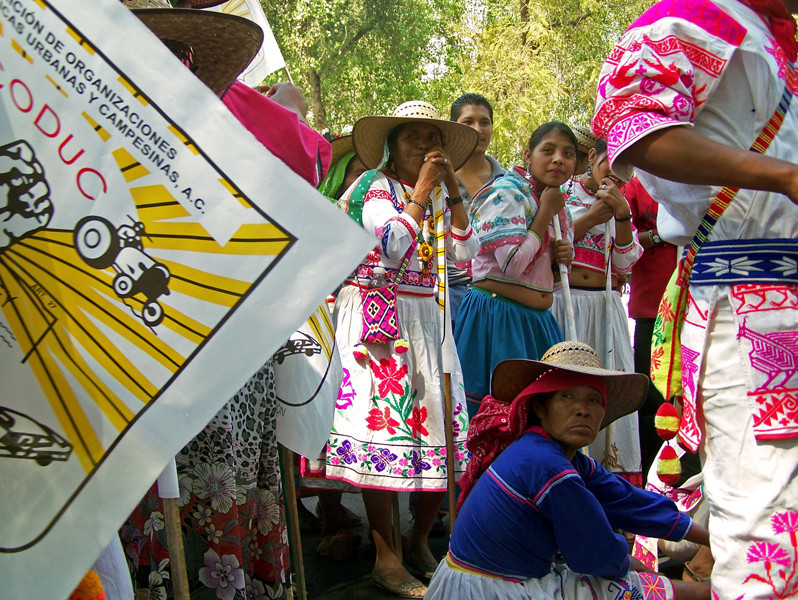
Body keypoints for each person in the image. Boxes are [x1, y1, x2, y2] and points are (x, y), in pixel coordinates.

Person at [119, 2, 332, 598]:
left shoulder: (238, 142)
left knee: (226, 474)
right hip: (135, 343)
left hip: (230, 346)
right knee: (147, 490)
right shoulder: (90, 142)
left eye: (175, 55)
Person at [592, 1, 798, 597]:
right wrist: (784, 176)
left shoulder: (773, 39)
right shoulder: (691, 15)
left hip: (774, 297)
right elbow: (635, 130)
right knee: (767, 533)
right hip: (755, 303)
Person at [325, 100, 479, 597]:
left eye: (431, 138)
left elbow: (466, 254)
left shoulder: (436, 194)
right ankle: (385, 555)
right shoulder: (373, 187)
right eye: (410, 136)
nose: (423, 146)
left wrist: (452, 192)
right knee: (381, 430)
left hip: (427, 319)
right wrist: (423, 193)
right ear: (390, 145)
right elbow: (391, 243)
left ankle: (416, 541)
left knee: (439, 428)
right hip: (379, 322)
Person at [427, 341, 712, 600]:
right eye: (567, 397)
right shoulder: (546, 465)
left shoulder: (559, 454)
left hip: (484, 579)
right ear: (540, 407)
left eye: (593, 400)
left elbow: (626, 500)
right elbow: (594, 554)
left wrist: (711, 539)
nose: (582, 410)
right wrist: (630, 565)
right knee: (627, 588)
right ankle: (716, 592)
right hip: (489, 589)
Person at [453, 121, 576, 420]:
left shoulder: (558, 203)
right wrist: (545, 211)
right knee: (499, 414)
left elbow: (550, 282)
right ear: (528, 155)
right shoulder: (506, 194)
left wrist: (564, 258)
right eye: (548, 150)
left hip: (538, 323)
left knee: (540, 414)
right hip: (497, 319)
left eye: (568, 153)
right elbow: (512, 266)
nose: (558, 159)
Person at [550, 138, 644, 486]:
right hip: (566, 302)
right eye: (611, 165)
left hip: (606, 307)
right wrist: (592, 218)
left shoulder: (621, 203)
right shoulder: (562, 195)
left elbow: (625, 260)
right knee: (568, 387)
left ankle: (612, 485)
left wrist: (621, 215)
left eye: (627, 171)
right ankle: (562, 478)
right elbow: (549, 247)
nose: (617, 176)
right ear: (592, 157)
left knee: (608, 391)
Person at [623, 175, 678, 474]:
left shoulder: (698, 179)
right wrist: (661, 235)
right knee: (653, 401)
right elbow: (623, 241)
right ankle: (654, 477)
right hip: (652, 310)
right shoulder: (635, 187)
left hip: (701, 306)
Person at [446, 93, 505, 324]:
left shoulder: (509, 185)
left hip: (497, 296)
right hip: (449, 293)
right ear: (454, 128)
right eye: (468, 122)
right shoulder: (437, 180)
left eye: (484, 122)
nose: (478, 129)